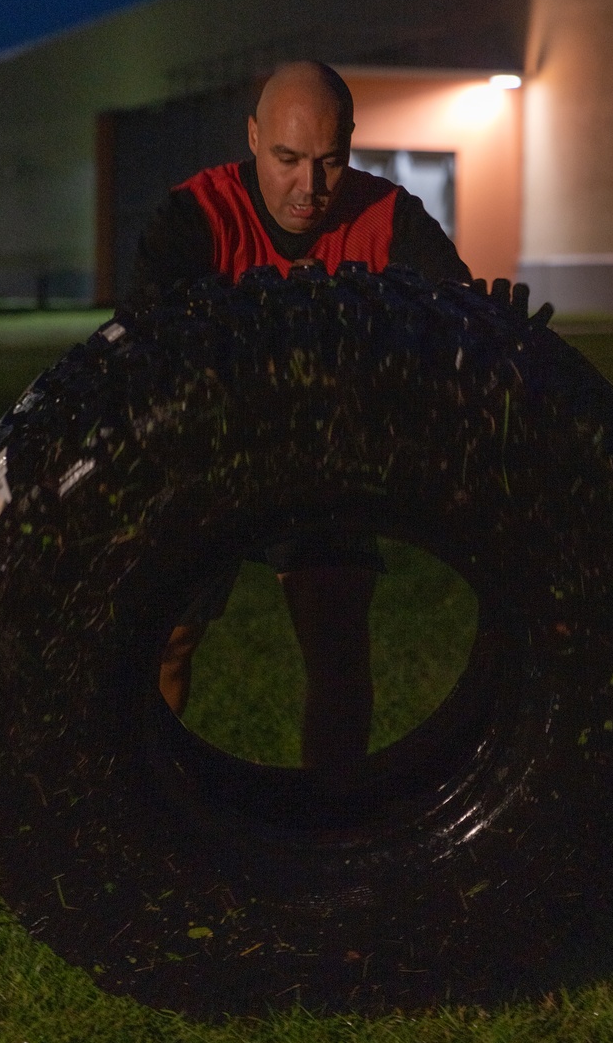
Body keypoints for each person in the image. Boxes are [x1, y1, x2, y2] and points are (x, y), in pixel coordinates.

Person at [135, 60, 470, 779]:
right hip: (210, 449)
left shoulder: (388, 218)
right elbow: (144, 342)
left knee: (338, 647)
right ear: (253, 138)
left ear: (350, 146)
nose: (309, 188)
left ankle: (329, 830)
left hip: (324, 453)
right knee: (166, 639)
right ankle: (145, 808)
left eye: (329, 162)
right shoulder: (197, 215)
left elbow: (459, 325)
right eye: (286, 160)